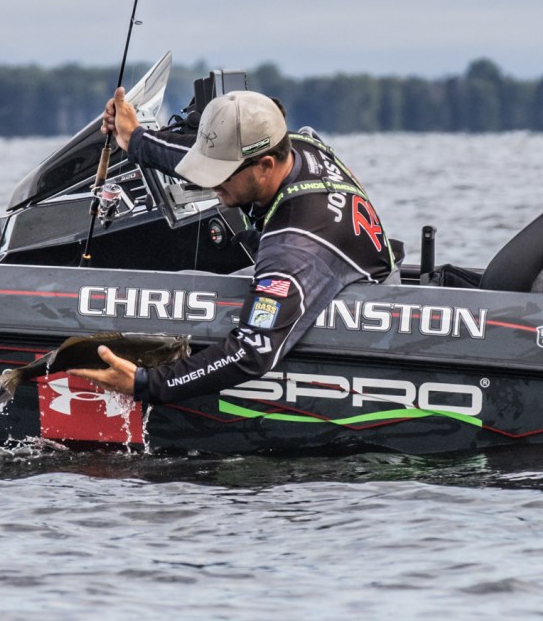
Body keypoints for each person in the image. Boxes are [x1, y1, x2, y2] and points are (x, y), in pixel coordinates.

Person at [69, 86, 400, 403]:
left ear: (265, 166)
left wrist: (147, 383)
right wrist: (135, 138)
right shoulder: (296, 145)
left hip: (357, 312)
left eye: (221, 174)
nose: (210, 183)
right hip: (338, 268)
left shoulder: (294, 247)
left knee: (189, 290)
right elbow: (198, 155)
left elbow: (253, 351)